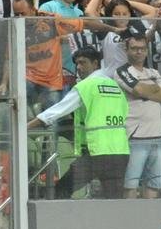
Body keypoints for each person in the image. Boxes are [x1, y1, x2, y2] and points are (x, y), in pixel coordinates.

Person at [27, 46, 130, 198]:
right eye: (77, 64)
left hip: (97, 152)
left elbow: (56, 111)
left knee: (61, 190)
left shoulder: (86, 86)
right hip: (121, 152)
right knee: (113, 200)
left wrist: (26, 127)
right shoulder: (115, 86)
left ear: (95, 64)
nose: (79, 67)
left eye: (83, 63)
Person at [112, 32, 161, 199]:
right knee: (130, 184)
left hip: (157, 136)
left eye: (142, 49)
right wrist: (153, 89)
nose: (139, 52)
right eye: (135, 48)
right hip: (134, 136)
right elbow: (138, 90)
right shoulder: (122, 71)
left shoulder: (153, 71)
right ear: (127, 49)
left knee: (155, 184)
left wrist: (146, 91)